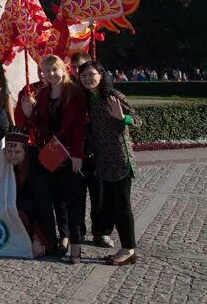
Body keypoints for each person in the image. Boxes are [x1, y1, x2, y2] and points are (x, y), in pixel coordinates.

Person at [22, 55, 87, 264]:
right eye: (46, 71)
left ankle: (74, 244)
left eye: (54, 70)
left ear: (63, 69)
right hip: (49, 151)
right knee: (53, 198)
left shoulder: (74, 93)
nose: (50, 74)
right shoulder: (43, 93)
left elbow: (78, 127)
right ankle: (59, 238)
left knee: (71, 199)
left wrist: (77, 154)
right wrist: (29, 114)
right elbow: (39, 123)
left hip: (67, 151)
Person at [79, 61, 142, 266]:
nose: (88, 78)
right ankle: (125, 248)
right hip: (102, 161)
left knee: (122, 205)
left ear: (101, 74)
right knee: (113, 206)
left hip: (119, 159)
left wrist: (123, 118)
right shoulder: (87, 99)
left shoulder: (111, 96)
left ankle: (129, 249)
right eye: (84, 76)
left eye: (92, 74)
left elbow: (139, 121)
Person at [70, 52, 114, 248]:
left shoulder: (104, 95)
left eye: (87, 70)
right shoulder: (72, 93)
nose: (85, 76)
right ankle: (78, 230)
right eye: (78, 70)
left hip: (99, 153)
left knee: (100, 195)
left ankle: (101, 232)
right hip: (78, 152)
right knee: (76, 195)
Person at [3, 131, 57, 258]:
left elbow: (43, 208)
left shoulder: (36, 172)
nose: (12, 156)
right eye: (9, 152)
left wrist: (39, 239)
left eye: (17, 152)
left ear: (25, 152)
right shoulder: (2, 166)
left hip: (32, 216)